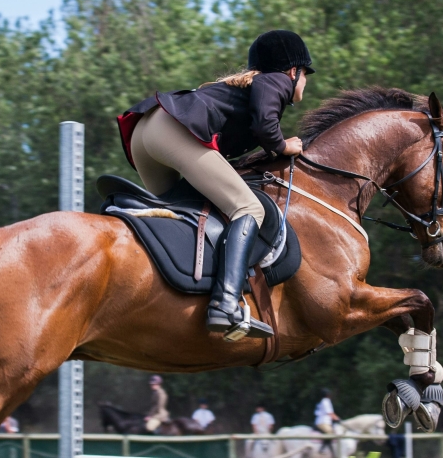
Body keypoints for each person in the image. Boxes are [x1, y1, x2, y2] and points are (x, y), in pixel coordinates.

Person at [119, 30, 314, 339]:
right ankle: (225, 303)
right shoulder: (274, 81)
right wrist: (283, 146)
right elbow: (266, 126)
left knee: (180, 212)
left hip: (146, 134)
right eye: (306, 75)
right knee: (249, 207)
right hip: (171, 132)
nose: (305, 82)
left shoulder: (242, 87)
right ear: (293, 71)